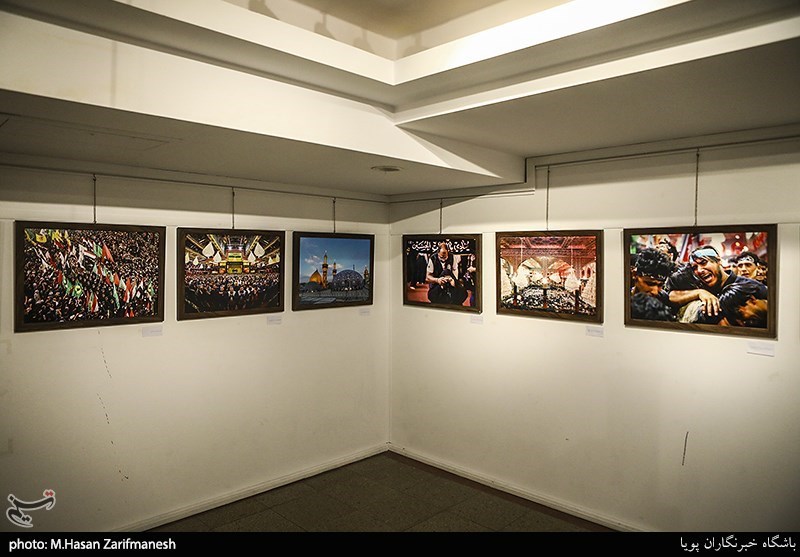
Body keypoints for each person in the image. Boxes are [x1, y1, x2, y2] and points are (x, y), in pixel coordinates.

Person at [665, 245, 767, 324]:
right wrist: (700, 293)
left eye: (704, 262)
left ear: (718, 261)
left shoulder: (751, 287)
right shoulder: (701, 286)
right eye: (695, 267)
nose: (699, 270)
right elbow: (671, 296)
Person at [426, 241, 468, 306]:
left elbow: (455, 274)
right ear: (438, 253)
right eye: (441, 257)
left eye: (445, 257)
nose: (443, 260)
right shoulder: (432, 258)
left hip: (451, 279)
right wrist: (437, 280)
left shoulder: (453, 257)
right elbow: (428, 277)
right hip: (437, 283)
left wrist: (453, 281)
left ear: (448, 252)